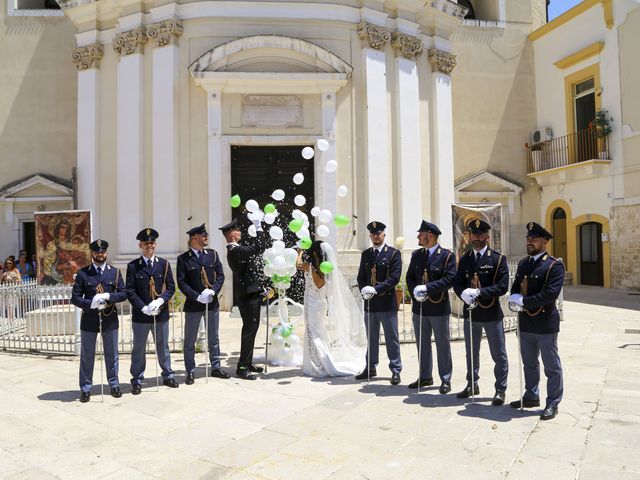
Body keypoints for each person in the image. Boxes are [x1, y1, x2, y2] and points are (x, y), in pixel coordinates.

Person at [508, 222, 565, 420]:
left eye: (534, 238)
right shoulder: (524, 263)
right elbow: (516, 286)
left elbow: (550, 294)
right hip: (525, 323)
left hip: (545, 323)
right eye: (528, 238)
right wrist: (514, 297)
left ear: (545, 242)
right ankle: (531, 395)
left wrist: (523, 301)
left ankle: (553, 402)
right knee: (529, 363)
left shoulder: (554, 265)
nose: (529, 241)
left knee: (551, 366)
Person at [453, 218, 510, 405]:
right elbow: (458, 283)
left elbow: (502, 287)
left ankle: (500, 389)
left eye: (480, 234)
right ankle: (472, 385)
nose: (476, 238)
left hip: (492, 314)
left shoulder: (498, 259)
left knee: (498, 354)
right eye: (473, 234)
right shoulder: (466, 259)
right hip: (472, 314)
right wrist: (463, 294)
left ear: (487, 236)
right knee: (471, 352)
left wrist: (479, 292)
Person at [296, 240, 367, 377]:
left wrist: (299, 252)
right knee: (318, 331)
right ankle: (315, 361)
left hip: (313, 303)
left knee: (313, 332)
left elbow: (297, 265)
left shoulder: (311, 267)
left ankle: (320, 363)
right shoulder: (325, 269)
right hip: (320, 303)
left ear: (315, 253)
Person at [71, 240, 127, 403]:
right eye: (96, 252)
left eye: (102, 252)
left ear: (106, 253)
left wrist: (109, 296)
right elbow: (75, 298)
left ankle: (114, 384)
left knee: (112, 354)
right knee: (87, 356)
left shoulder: (115, 273)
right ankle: (86, 388)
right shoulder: (83, 274)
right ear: (92, 254)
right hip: (89, 319)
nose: (99, 254)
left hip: (109, 318)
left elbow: (124, 293)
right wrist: (90, 304)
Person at [406, 221, 456, 393]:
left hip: (438, 308)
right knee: (422, 344)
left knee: (442, 344)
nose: (418, 237)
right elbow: (410, 277)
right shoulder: (417, 255)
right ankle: (425, 376)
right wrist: (415, 292)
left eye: (421, 234)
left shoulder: (447, 256)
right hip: (419, 308)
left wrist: (427, 288)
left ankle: (445, 378)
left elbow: (449, 279)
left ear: (431, 236)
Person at [126, 228, 178, 394]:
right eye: (146, 243)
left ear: (155, 244)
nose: (150, 245)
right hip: (141, 316)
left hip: (160, 313)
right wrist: (143, 307)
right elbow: (130, 291)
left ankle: (168, 375)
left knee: (163, 346)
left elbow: (171, 287)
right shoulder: (133, 266)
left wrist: (160, 300)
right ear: (140, 245)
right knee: (139, 348)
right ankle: (137, 379)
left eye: (152, 243)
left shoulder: (164, 264)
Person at [177, 223, 227, 384]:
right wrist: (197, 296)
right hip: (193, 305)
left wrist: (213, 291)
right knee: (190, 340)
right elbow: (182, 282)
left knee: (214, 337)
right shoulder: (183, 259)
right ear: (194, 238)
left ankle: (216, 367)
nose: (206, 238)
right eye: (203, 235)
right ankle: (190, 370)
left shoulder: (212, 255)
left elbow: (220, 275)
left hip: (211, 303)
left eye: (206, 235)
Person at [355, 221, 402, 385]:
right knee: (371, 338)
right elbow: (361, 277)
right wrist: (364, 290)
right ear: (370, 236)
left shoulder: (393, 254)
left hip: (386, 303)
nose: (376, 236)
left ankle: (395, 369)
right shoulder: (366, 254)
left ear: (384, 234)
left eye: (379, 233)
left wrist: (376, 289)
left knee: (392, 338)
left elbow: (394, 278)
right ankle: (370, 367)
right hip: (370, 304)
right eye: (373, 234)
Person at [220, 217, 266, 380]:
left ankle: (247, 361)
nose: (240, 232)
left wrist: (261, 287)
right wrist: (258, 227)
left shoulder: (236, 249)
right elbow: (260, 247)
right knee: (249, 330)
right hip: (248, 297)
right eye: (237, 230)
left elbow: (249, 273)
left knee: (251, 329)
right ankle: (242, 366)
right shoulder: (236, 250)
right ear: (231, 234)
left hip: (251, 293)